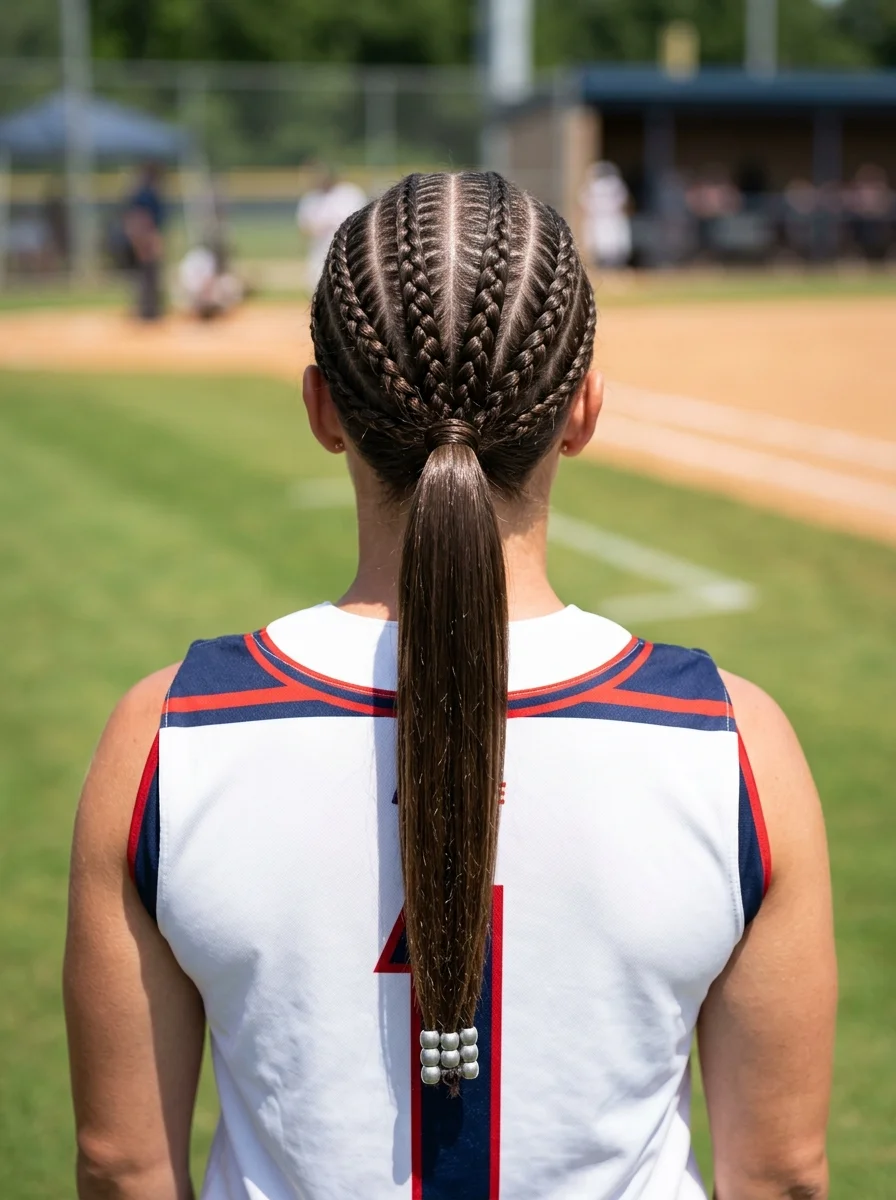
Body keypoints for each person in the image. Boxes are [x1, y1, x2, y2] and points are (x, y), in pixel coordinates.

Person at [64, 172, 836, 1200]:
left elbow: (122, 1165)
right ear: (582, 410)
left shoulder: (166, 734)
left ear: (322, 408)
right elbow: (779, 1172)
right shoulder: (734, 744)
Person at [296, 167, 366, 289]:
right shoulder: (311, 199)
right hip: (320, 250)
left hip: (347, 248)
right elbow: (304, 228)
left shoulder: (349, 193)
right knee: (316, 284)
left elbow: (361, 221)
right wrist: (317, 229)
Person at [123, 163, 167, 320]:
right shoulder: (145, 194)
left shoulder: (147, 192)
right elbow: (140, 217)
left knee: (149, 273)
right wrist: (145, 239)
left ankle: (150, 308)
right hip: (146, 236)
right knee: (147, 272)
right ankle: (147, 309)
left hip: (147, 235)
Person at [580, 160, 632, 268]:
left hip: (607, 219)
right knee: (606, 248)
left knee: (610, 248)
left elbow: (583, 203)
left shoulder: (613, 184)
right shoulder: (612, 185)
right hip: (603, 220)